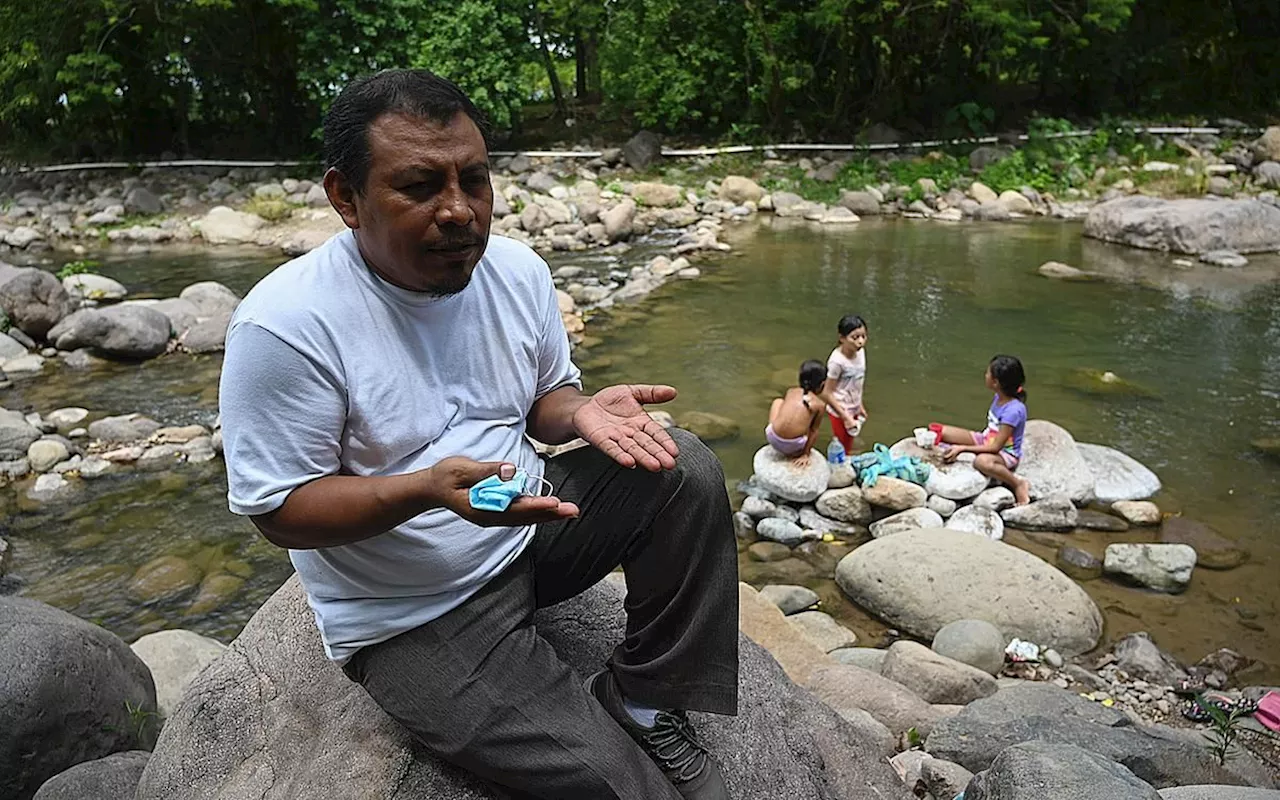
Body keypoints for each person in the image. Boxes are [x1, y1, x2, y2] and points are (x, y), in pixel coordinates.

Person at [218, 69, 736, 800]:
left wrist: (579, 412)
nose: (459, 212)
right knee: (620, 788)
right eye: (421, 186)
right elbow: (279, 511)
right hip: (409, 612)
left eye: (475, 180)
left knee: (682, 466)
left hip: (529, 527)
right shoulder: (286, 326)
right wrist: (426, 491)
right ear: (345, 198)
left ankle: (646, 697)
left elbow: (542, 400)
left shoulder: (517, 271)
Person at [934, 355, 1031, 505]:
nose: (985, 375)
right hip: (986, 439)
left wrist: (962, 448)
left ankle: (1017, 484)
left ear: (996, 382)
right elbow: (991, 435)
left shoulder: (1013, 411)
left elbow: (995, 447)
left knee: (982, 462)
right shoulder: (999, 396)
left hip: (1005, 453)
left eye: (988, 373)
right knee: (940, 431)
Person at [820, 314, 869, 456]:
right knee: (842, 447)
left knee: (849, 442)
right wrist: (845, 416)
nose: (860, 342)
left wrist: (859, 405)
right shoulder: (837, 362)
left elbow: (857, 382)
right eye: (855, 338)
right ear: (842, 338)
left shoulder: (860, 353)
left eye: (863, 336)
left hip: (853, 407)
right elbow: (826, 392)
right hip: (839, 409)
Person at [765, 359, 829, 463]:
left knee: (778, 401)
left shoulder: (791, 391)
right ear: (822, 384)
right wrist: (806, 454)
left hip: (772, 438)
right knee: (811, 425)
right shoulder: (820, 405)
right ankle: (800, 450)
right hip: (793, 447)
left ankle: (775, 428)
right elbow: (814, 431)